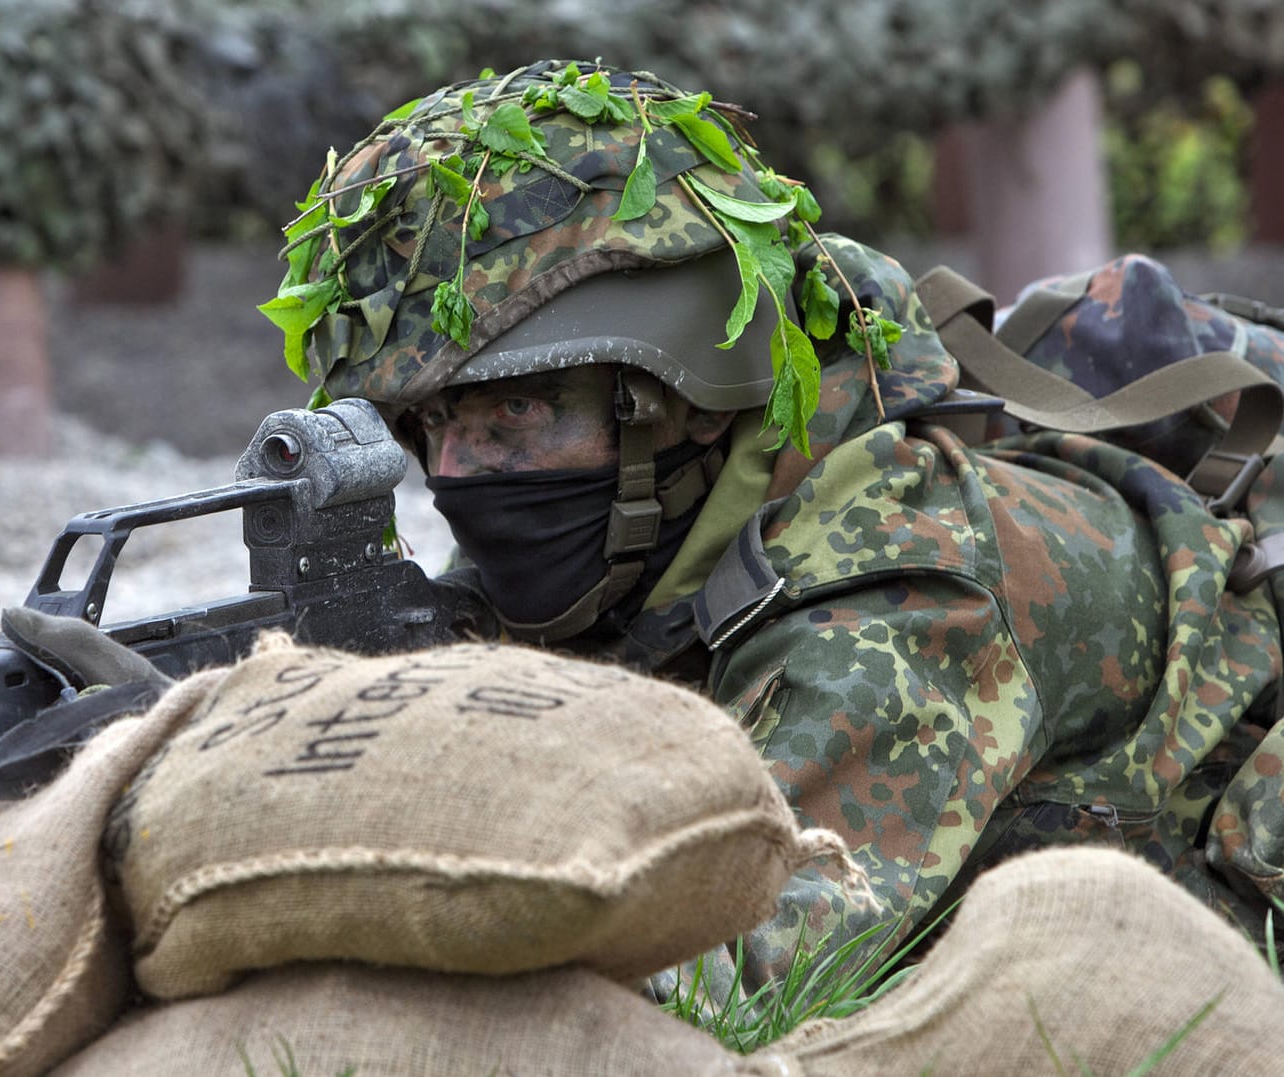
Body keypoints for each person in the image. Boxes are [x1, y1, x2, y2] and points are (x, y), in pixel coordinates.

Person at [261, 59, 1284, 989]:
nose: (458, 475)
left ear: (681, 394)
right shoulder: (636, 508)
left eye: (510, 416)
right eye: (428, 425)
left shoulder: (904, 589)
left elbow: (733, 982)